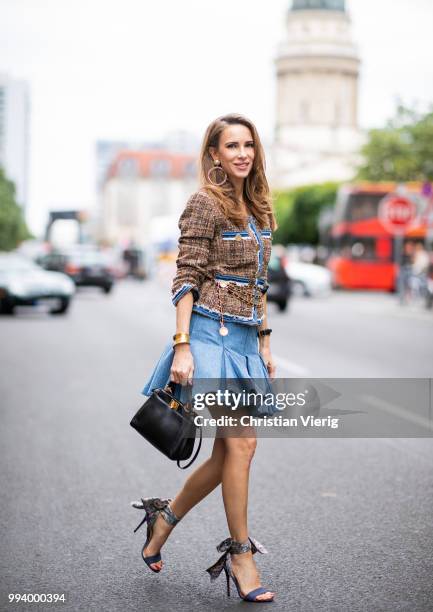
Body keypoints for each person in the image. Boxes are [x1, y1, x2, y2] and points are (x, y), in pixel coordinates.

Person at [134, 114, 279, 602]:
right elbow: (186, 277)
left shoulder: (259, 208)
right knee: (239, 447)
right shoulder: (204, 203)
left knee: (231, 451)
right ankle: (240, 554)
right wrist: (182, 345)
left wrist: (264, 340)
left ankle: (164, 520)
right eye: (231, 146)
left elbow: (260, 286)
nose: (242, 153)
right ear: (214, 154)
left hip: (242, 341)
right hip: (209, 336)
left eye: (248, 145)